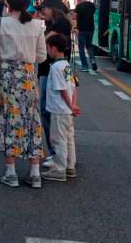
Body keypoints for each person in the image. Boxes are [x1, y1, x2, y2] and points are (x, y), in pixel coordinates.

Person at [0, 0, 48, 188]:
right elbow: (42, 56)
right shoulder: (37, 26)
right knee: (31, 120)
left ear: (7, 2)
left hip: (7, 76)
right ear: (28, 3)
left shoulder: (0, 24)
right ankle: (35, 173)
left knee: (9, 119)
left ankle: (11, 173)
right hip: (27, 77)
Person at [42, 34, 80, 182]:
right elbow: (73, 87)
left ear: (53, 48)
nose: (47, 51)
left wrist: (70, 105)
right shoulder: (66, 65)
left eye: (47, 48)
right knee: (69, 138)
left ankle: (59, 170)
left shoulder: (56, 67)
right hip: (67, 111)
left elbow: (62, 89)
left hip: (59, 110)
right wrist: (73, 105)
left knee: (58, 140)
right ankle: (70, 166)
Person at [39, 4, 70, 163]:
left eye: (45, 8)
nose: (42, 12)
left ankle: (57, 158)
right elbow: (71, 85)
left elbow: (41, 42)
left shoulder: (60, 24)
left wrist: (71, 104)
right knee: (65, 129)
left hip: (49, 71)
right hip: (50, 71)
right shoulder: (54, 24)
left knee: (47, 110)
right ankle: (67, 161)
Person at [73, 0, 98, 72]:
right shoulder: (92, 5)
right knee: (89, 46)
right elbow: (93, 13)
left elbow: (75, 17)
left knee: (81, 48)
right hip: (91, 28)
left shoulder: (79, 6)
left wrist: (74, 27)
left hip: (81, 29)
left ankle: (85, 66)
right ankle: (93, 61)